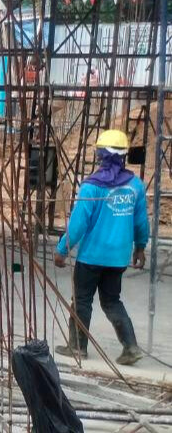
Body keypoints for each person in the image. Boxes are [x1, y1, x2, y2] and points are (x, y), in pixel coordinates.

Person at [53, 129, 149, 365]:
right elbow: (141, 221)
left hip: (92, 256)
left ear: (102, 156)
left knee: (82, 300)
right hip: (118, 258)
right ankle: (131, 347)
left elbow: (77, 224)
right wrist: (140, 247)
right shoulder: (135, 186)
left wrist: (62, 249)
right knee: (112, 300)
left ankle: (77, 347)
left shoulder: (92, 187)